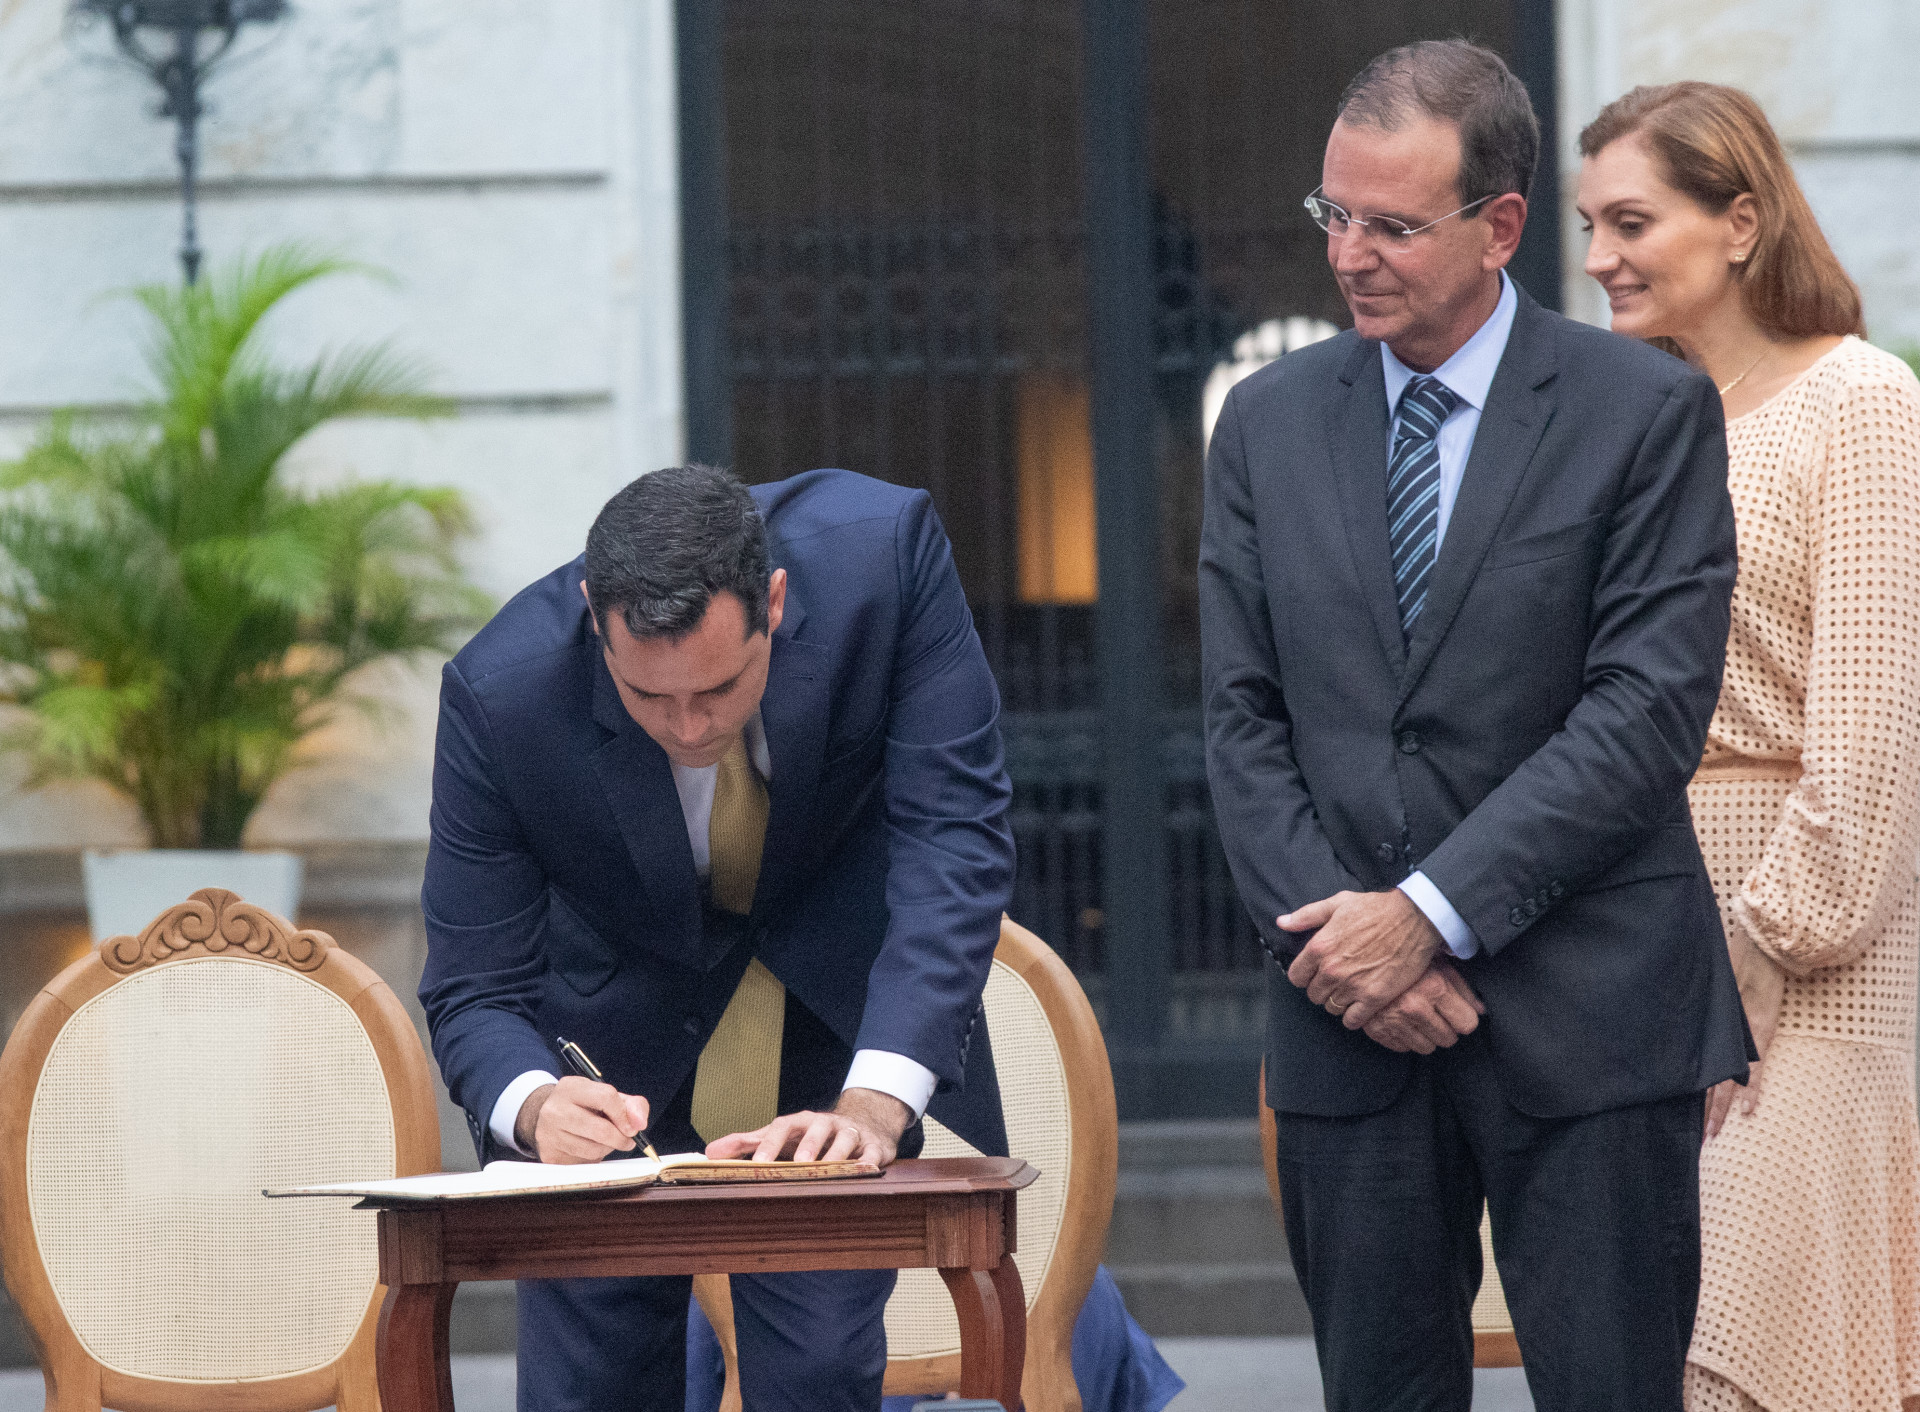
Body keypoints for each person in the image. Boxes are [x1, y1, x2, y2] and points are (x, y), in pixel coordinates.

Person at [1200, 39, 1753, 1412]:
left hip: (1593, 1013)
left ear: (1501, 225)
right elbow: (1240, 717)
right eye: (1336, 216)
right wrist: (1347, 947)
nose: (1352, 255)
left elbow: (1644, 712)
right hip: (1345, 1024)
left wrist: (1430, 916)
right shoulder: (1261, 426)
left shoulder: (1646, 413)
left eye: (1393, 224)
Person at [418, 464, 1015, 1412]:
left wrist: (872, 1106)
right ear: (592, 617)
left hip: (825, 1046)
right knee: (589, 1392)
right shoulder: (502, 695)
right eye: (647, 699)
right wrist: (534, 1107)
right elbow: (471, 984)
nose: (689, 727)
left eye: (720, 688)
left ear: (772, 603)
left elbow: (955, 840)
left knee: (818, 1375)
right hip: (609, 1070)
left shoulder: (886, 561)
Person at [1578, 82, 1920, 1412]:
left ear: (1739, 220)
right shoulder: (1636, 428)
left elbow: (1873, 733)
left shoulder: (1863, 403)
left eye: (1630, 219)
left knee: (1748, 1361)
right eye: (1588, 223)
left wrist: (1771, 938)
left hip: (1812, 953)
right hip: (1641, 941)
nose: (1598, 254)